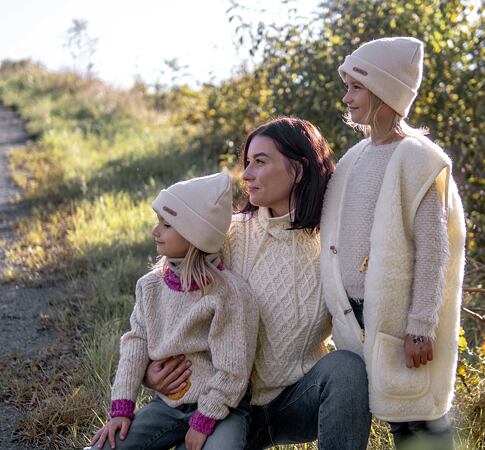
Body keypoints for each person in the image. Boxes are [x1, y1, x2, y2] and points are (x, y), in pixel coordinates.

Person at [144, 117, 372, 449]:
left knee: (347, 369)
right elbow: (163, 291)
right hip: (220, 405)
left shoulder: (333, 246)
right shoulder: (228, 233)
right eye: (247, 162)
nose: (246, 174)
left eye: (260, 162)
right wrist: (149, 370)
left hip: (293, 401)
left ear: (298, 170)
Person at [320, 37, 466, 449]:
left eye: (356, 88)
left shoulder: (417, 158)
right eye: (347, 87)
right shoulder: (355, 158)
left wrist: (420, 325)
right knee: (390, 413)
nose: (346, 98)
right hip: (358, 317)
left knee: (416, 420)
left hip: (400, 317)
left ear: (383, 92)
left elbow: (433, 248)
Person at [88, 173, 259, 450]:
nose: (155, 231)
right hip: (168, 406)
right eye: (159, 222)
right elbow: (135, 344)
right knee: (106, 446)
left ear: (195, 234)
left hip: (222, 410)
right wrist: (121, 408)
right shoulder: (150, 286)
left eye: (167, 224)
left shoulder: (228, 293)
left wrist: (204, 420)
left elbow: (234, 368)